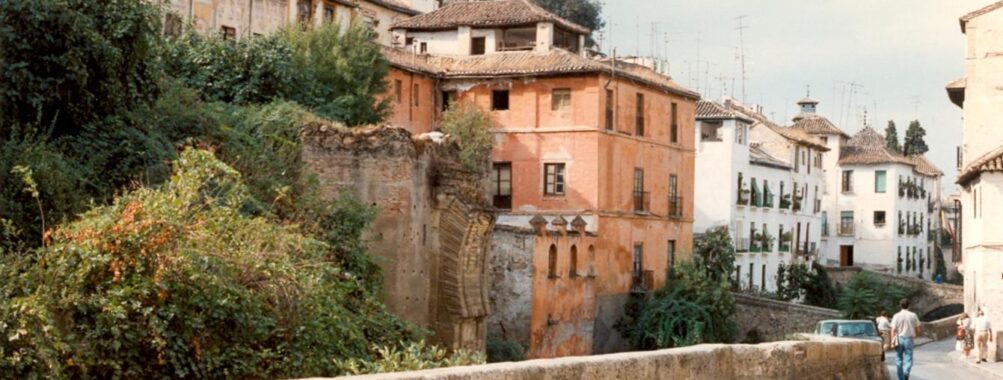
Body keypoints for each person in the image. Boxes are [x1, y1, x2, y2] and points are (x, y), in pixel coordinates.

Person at [891, 298, 921, 380]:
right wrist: (915, 336)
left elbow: (893, 330)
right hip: (909, 339)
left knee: (899, 358)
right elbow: (918, 329)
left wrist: (892, 341)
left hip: (899, 338)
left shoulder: (896, 316)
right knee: (909, 358)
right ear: (909, 306)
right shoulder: (913, 315)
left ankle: (901, 378)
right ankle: (906, 373)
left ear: (900, 306)